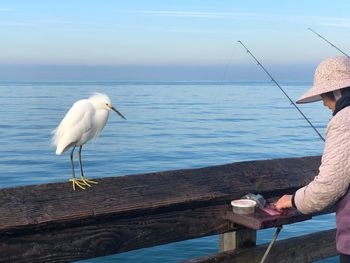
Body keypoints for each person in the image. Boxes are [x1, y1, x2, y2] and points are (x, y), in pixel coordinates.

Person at [275, 56, 350, 263]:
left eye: (323, 96)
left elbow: (328, 187)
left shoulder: (344, 120)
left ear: (336, 92)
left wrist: (292, 200)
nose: (324, 104)